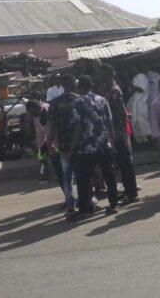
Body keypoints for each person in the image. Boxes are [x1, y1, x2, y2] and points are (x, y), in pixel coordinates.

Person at [66, 76, 119, 220]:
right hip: (104, 146)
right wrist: (112, 144)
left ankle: (84, 210)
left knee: (83, 180)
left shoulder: (77, 103)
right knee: (109, 176)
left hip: (86, 148)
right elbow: (110, 124)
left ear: (79, 87)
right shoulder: (103, 100)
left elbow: (77, 129)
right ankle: (113, 204)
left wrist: (71, 151)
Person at [97, 64, 138, 205]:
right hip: (110, 130)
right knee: (119, 163)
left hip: (119, 131)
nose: (99, 76)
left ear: (108, 74)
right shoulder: (104, 89)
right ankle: (127, 191)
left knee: (126, 162)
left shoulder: (115, 90)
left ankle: (132, 193)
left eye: (101, 73)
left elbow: (121, 111)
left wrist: (122, 130)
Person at [47, 74, 79, 214]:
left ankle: (70, 204)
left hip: (64, 145)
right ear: (73, 84)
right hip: (81, 144)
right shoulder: (80, 100)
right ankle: (88, 199)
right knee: (84, 174)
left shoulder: (54, 103)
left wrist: (49, 141)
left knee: (67, 177)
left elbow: (52, 125)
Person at [127, 65, 151, 143]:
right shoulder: (134, 78)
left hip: (141, 103)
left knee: (144, 124)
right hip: (136, 104)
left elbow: (141, 89)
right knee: (138, 125)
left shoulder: (141, 76)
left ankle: (149, 141)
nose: (131, 70)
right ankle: (143, 143)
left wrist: (130, 84)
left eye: (131, 68)